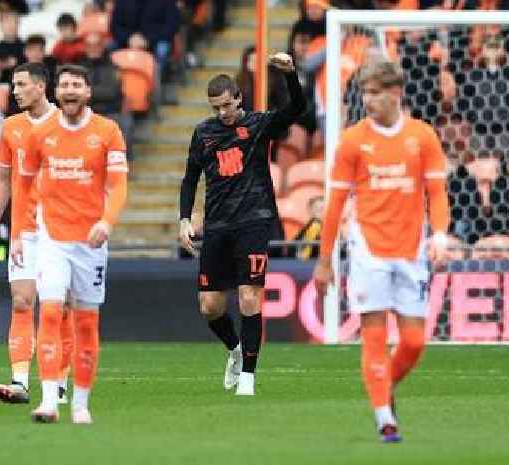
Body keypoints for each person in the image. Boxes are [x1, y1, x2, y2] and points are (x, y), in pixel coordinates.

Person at [312, 60, 450, 443]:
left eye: (374, 93)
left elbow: (437, 193)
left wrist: (439, 234)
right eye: (364, 93)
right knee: (374, 335)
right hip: (367, 249)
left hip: (411, 249)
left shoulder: (422, 137)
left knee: (414, 341)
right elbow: (336, 203)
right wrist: (324, 261)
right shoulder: (354, 141)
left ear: (394, 94)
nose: (367, 101)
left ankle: (382, 385)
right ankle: (384, 417)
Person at [178, 52, 305, 396]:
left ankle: (248, 376)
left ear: (239, 99)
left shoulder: (258, 124)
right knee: (210, 306)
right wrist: (184, 218)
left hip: (254, 221)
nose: (222, 113)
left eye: (226, 106)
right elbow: (190, 179)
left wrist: (291, 75)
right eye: (215, 108)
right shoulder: (204, 134)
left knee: (250, 298)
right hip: (217, 225)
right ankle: (235, 349)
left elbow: (297, 110)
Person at [11, 64, 128, 424]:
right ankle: (48, 401)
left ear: (88, 92)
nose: (70, 90)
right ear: (56, 92)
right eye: (64, 85)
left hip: (91, 244)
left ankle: (81, 404)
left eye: (77, 84)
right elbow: (23, 184)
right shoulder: (41, 133)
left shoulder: (107, 131)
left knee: (86, 324)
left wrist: (107, 222)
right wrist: (18, 232)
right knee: (49, 311)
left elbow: (119, 184)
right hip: (52, 240)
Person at [0, 62, 73, 405]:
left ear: (40, 86)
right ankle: (19, 381)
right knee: (22, 302)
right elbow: (3, 180)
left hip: (61, 231)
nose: (15, 90)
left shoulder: (66, 123)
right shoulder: (11, 127)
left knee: (59, 307)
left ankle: (59, 382)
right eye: (13, 85)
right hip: (24, 232)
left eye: (20, 84)